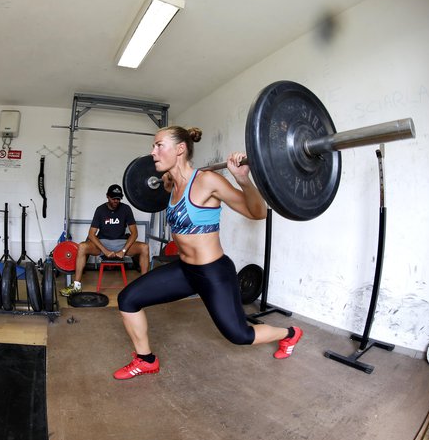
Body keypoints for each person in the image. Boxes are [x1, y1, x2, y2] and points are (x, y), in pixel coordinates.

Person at [112, 126, 304, 380]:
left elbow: (257, 213)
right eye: (154, 146)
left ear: (180, 149)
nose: (153, 152)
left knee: (240, 335)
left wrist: (243, 179)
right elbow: (159, 184)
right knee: (128, 299)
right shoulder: (170, 185)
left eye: (159, 146)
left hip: (213, 272)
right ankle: (146, 360)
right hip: (185, 270)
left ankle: (289, 334)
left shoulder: (207, 181)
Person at [60, 184, 150, 296]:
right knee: (82, 246)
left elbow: (134, 233)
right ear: (107, 196)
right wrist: (105, 250)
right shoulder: (100, 210)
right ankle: (77, 286)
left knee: (144, 247)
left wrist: (123, 251)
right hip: (102, 243)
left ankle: (144, 286)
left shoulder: (126, 209)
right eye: (113, 198)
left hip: (121, 243)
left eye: (118, 198)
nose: (116, 201)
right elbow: (91, 234)